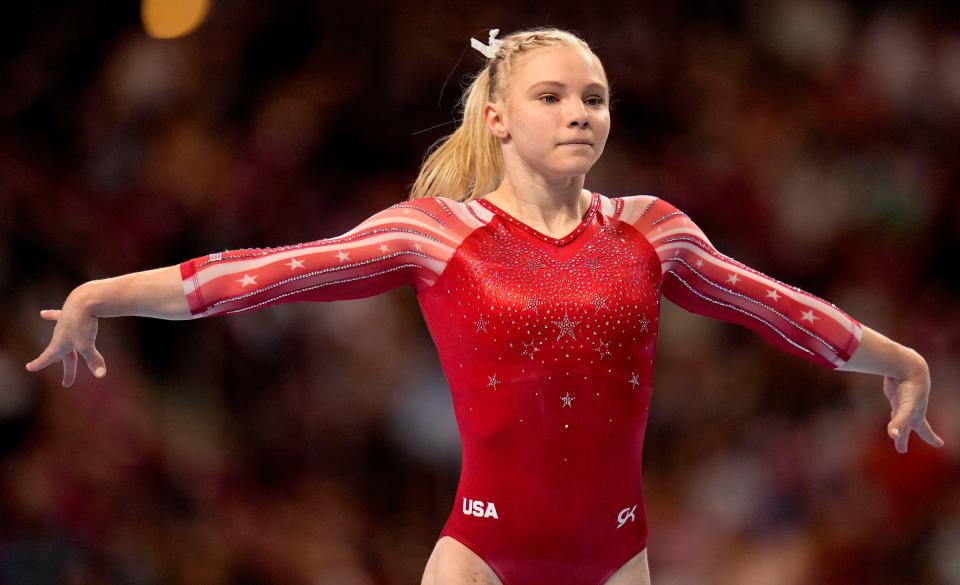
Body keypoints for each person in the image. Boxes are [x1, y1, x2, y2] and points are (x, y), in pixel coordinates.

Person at [24, 26, 943, 585]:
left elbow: (774, 307)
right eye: (553, 96)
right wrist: (104, 292)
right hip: (480, 560)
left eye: (596, 96)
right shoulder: (433, 234)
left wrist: (896, 358)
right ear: (498, 116)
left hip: (618, 559)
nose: (581, 111)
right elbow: (265, 275)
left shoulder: (654, 231)